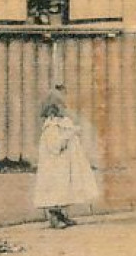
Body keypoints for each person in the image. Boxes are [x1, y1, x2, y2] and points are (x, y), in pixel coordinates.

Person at [33, 86, 98, 229]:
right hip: (55, 166)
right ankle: (54, 217)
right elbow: (55, 146)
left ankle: (62, 214)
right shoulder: (51, 126)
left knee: (64, 189)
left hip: (64, 164)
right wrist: (70, 133)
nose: (66, 108)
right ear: (53, 108)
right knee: (55, 190)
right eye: (62, 105)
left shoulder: (64, 122)